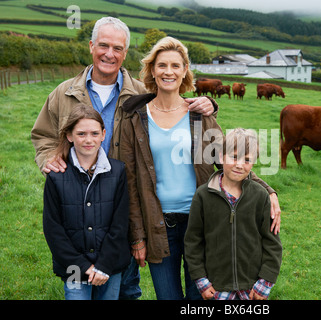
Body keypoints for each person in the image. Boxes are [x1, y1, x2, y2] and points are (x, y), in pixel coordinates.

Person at [31, 17, 217, 299]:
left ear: (125, 53)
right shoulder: (64, 93)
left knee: (126, 282)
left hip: (125, 202)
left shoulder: (141, 93)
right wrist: (48, 158)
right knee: (77, 279)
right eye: (103, 45)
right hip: (78, 201)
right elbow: (43, 134)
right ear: (92, 46)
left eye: (117, 48)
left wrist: (210, 104)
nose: (109, 53)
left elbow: (174, 100)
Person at [119, 36, 281, 300]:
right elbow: (130, 181)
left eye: (175, 65)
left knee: (202, 299)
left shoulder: (199, 115)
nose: (168, 71)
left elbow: (227, 160)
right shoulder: (136, 118)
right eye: (161, 65)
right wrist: (137, 235)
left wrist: (268, 190)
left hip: (205, 221)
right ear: (152, 70)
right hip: (159, 224)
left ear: (185, 71)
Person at [42, 104, 131, 300]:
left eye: (94, 133)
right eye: (81, 134)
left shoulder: (117, 172)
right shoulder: (56, 176)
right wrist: (83, 266)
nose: (88, 140)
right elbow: (53, 228)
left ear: (103, 134)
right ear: (69, 136)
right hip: (73, 265)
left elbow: (120, 224)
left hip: (110, 264)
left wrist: (103, 265)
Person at [184, 128, 282, 300]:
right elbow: (193, 242)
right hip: (216, 288)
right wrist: (201, 281)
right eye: (234, 157)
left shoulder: (260, 196)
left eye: (247, 160)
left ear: (253, 163)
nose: (239, 165)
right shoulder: (203, 196)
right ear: (221, 157)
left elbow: (272, 243)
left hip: (252, 289)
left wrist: (265, 282)